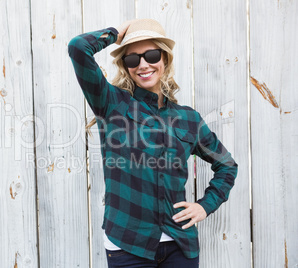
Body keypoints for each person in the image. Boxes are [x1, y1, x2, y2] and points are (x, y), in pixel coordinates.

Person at [68, 18, 238, 268]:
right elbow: (78, 47)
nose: (143, 65)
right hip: (127, 244)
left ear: (165, 59)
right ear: (126, 66)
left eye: (151, 55)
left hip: (179, 245)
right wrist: (115, 35)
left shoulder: (188, 118)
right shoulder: (112, 104)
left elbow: (227, 166)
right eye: (133, 59)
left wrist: (205, 206)